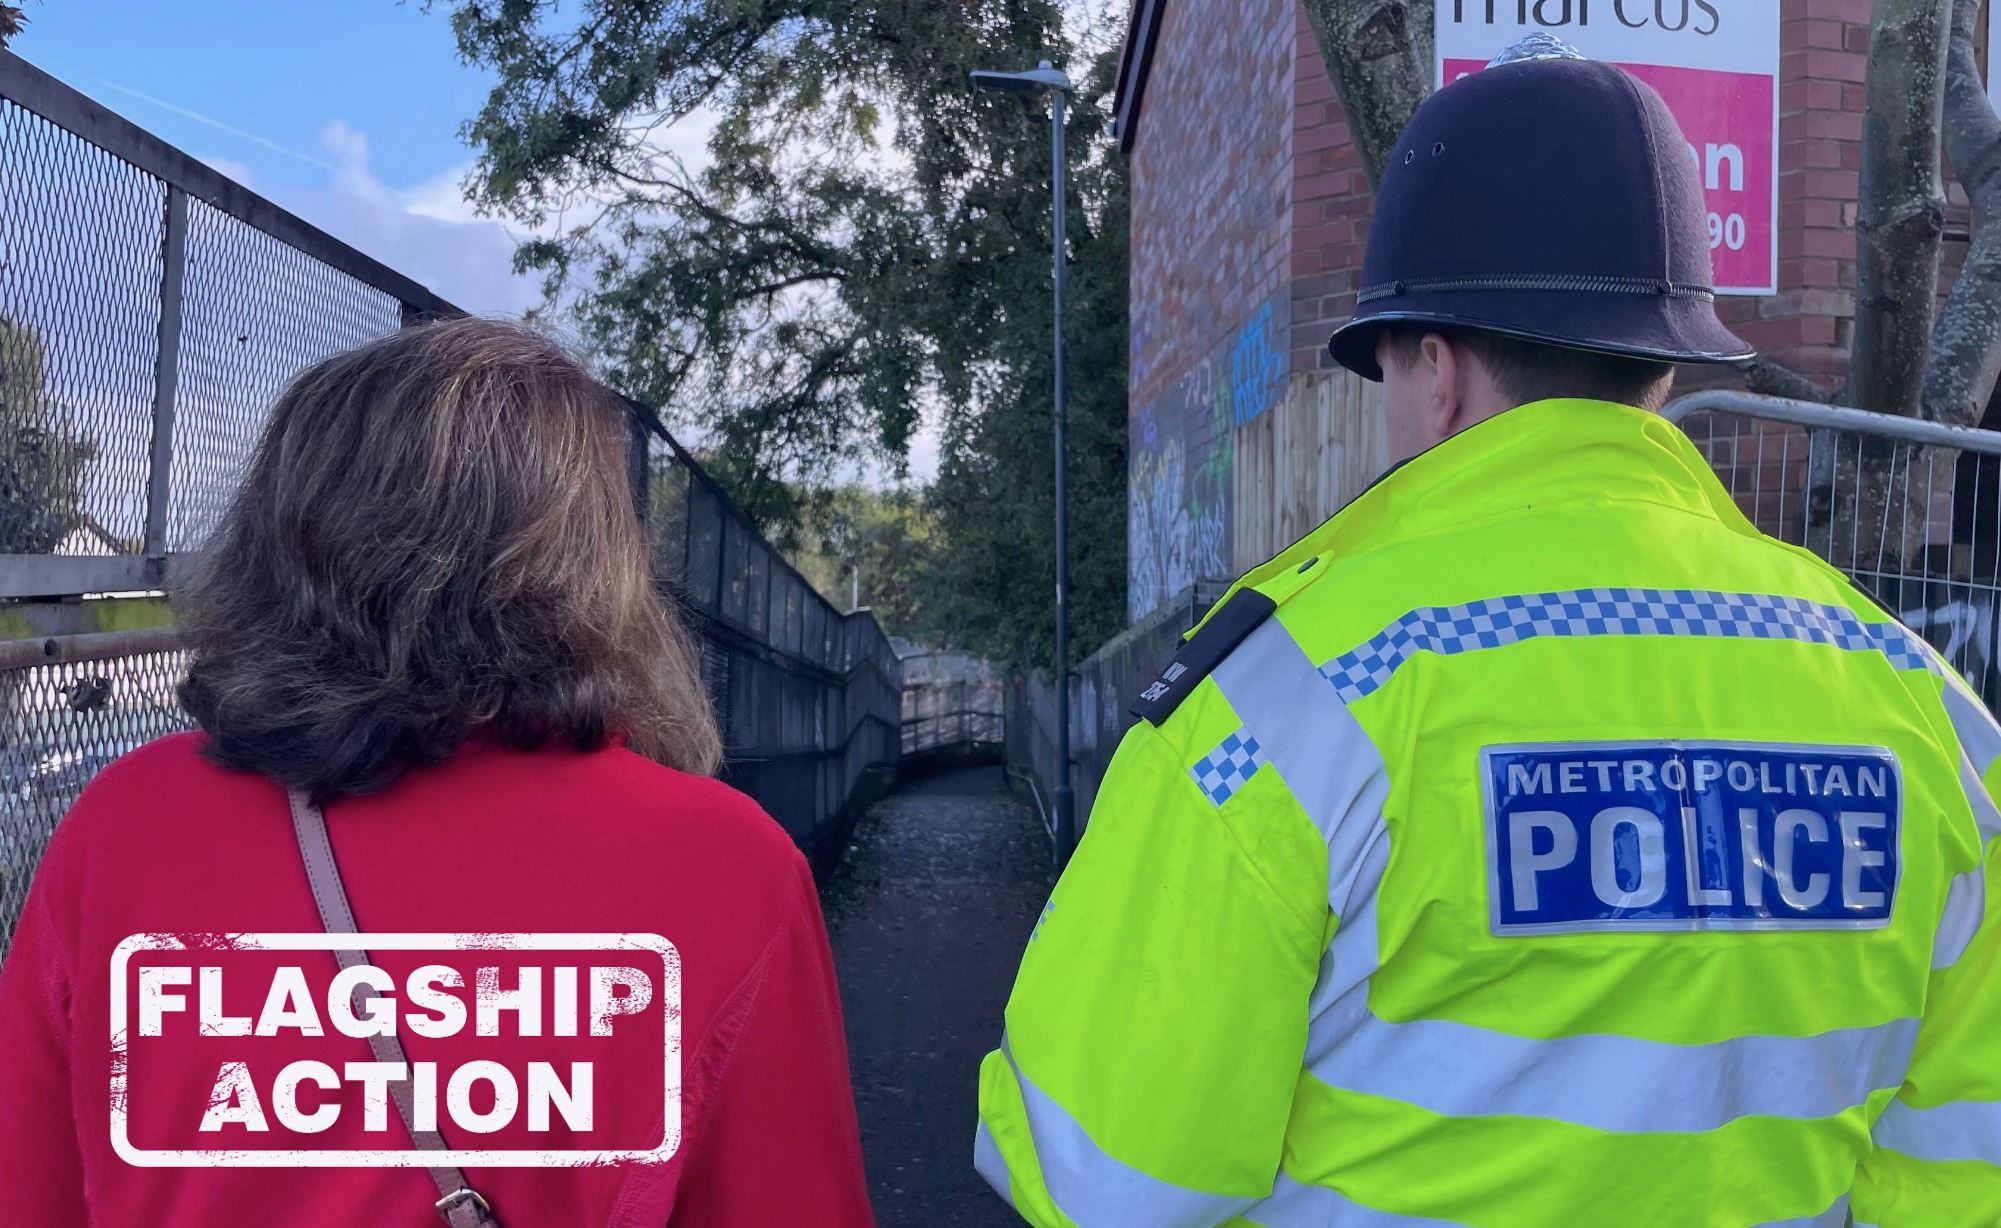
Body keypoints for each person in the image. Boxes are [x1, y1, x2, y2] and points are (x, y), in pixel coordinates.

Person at [975, 45, 2001, 1228]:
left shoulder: (1284, 705)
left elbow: (1099, 1177)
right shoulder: (1925, 712)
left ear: (1437, 374)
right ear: (1663, 371)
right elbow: (1959, 1171)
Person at [0, 318, 874, 1226]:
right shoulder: (721, 866)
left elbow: (31, 1190)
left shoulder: (128, 827)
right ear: (593, 563)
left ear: (281, 537)